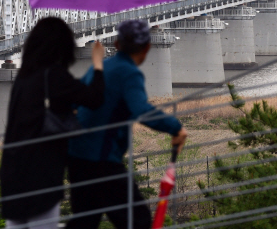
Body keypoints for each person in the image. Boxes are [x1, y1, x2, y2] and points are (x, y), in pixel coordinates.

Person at [66, 20, 188, 229]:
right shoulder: (129, 73)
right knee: (137, 220)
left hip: (77, 156)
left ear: (117, 43)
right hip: (102, 161)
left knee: (84, 220)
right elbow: (140, 109)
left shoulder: (101, 67)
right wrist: (175, 127)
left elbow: (75, 102)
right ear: (147, 47)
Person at [0, 17, 106, 229]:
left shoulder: (23, 77)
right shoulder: (54, 75)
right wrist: (98, 63)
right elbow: (94, 98)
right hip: (41, 173)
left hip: (11, 172)